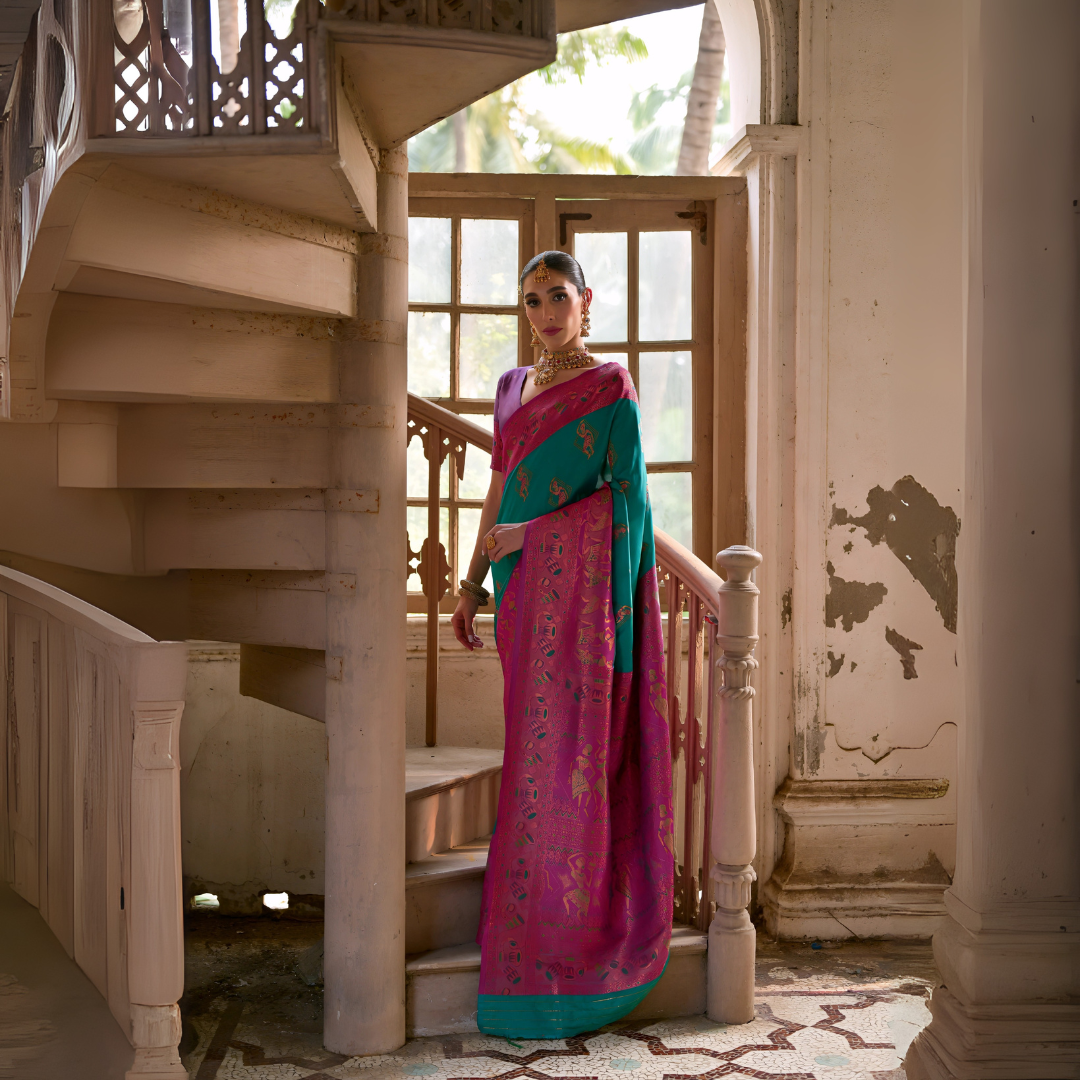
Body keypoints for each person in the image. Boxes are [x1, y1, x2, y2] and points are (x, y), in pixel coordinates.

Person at [451, 250, 674, 1039]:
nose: (545, 312)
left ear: (586, 301)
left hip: (580, 609)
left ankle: (563, 952)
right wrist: (472, 581)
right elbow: (497, 488)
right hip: (521, 599)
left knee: (566, 766)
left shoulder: (611, 389)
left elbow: (626, 504)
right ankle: (525, 944)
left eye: (557, 296)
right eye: (531, 300)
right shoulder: (511, 388)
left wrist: (536, 536)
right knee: (531, 760)